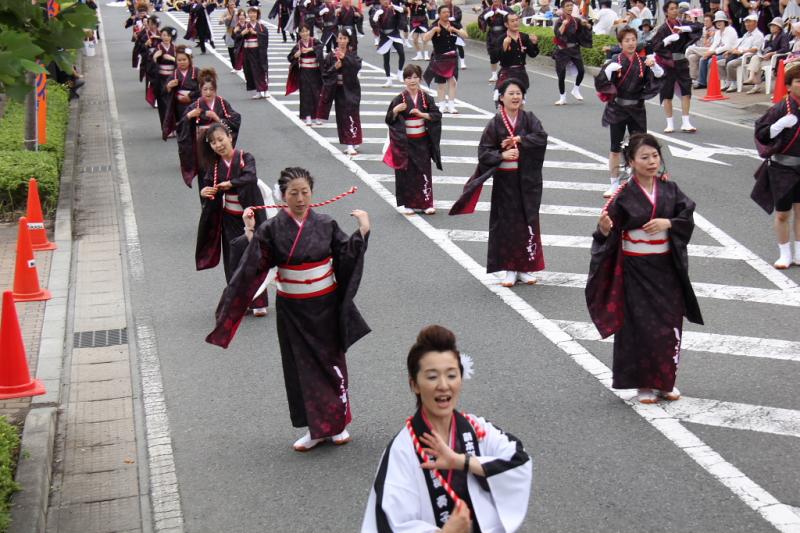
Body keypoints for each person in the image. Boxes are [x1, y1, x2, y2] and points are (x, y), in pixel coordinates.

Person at [206, 167, 371, 452]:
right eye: (293, 193)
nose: (300, 198)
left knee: (330, 364)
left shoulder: (326, 223)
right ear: (282, 196)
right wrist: (248, 232)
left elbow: (345, 255)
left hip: (325, 303)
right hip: (293, 307)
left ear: (312, 193)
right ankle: (314, 429)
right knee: (300, 367)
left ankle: (338, 424)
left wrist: (363, 232)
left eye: (304, 192)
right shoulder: (271, 229)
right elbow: (253, 265)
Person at [361, 324, 532, 532]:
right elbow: (389, 524)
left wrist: (460, 461)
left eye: (451, 375)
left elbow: (519, 461)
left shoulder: (476, 429)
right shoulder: (402, 450)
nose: (443, 385)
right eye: (432, 377)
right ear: (414, 384)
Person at [586, 133, 703, 404]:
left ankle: (665, 381)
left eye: (654, 156)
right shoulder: (623, 195)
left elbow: (687, 215)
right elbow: (605, 233)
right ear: (631, 161)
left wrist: (669, 223)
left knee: (668, 324)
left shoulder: (670, 190)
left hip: (665, 268)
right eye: (644, 157)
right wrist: (604, 231)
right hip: (634, 270)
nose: (651, 162)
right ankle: (643, 384)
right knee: (640, 327)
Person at [449, 79, 547, 287]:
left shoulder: (529, 118)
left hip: (527, 180)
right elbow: (484, 152)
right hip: (505, 183)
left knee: (526, 221)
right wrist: (503, 154)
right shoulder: (495, 123)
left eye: (518, 93)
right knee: (506, 224)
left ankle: (525, 267)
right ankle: (509, 268)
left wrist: (520, 140)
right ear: (501, 98)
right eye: (511, 93)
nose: (515, 97)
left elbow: (541, 137)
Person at [196, 123, 269, 316]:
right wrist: (205, 191)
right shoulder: (214, 165)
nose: (218, 145)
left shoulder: (245, 158)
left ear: (230, 137)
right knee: (233, 259)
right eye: (213, 143)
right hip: (229, 217)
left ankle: (259, 301)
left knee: (254, 256)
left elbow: (250, 177)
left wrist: (232, 183)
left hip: (250, 216)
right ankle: (240, 303)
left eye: (220, 139)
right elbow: (207, 186)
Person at [595, 27, 664, 198]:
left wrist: (654, 66)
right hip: (618, 108)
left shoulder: (643, 61)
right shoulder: (614, 60)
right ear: (621, 43)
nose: (631, 43)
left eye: (633, 39)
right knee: (615, 148)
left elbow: (659, 76)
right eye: (627, 40)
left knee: (640, 147)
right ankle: (614, 182)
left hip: (637, 109)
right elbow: (603, 83)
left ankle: (636, 181)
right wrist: (609, 71)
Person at [753, 59, 800, 268]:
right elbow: (761, 134)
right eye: (798, 81)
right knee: (783, 213)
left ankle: (799, 252)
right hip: (783, 167)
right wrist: (780, 125)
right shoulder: (780, 108)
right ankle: (784, 253)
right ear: (789, 86)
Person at [384, 64, 443, 215]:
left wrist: (422, 115)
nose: (412, 81)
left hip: (422, 140)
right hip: (406, 142)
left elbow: (437, 115)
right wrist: (396, 110)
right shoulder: (399, 99)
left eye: (415, 77)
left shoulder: (426, 98)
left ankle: (426, 203)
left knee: (424, 171)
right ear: (404, 80)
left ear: (420, 79)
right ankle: (408, 203)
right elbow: (389, 120)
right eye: (409, 77)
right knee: (407, 172)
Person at [177, 68, 242, 193]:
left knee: (221, 170)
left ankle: (222, 199)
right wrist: (189, 116)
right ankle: (206, 202)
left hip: (219, 142)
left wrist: (217, 118)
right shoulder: (195, 106)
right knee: (205, 174)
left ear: (216, 90)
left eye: (211, 89)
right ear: (200, 90)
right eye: (205, 89)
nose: (208, 92)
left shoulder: (222, 104)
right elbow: (181, 127)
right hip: (202, 146)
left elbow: (236, 120)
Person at [651, 0, 702, 133]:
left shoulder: (682, 23)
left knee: (686, 90)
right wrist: (666, 41)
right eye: (672, 9)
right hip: (668, 63)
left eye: (676, 8)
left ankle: (686, 121)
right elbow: (655, 45)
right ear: (666, 11)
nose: (675, 11)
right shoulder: (663, 29)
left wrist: (685, 29)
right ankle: (670, 123)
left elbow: (699, 25)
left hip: (681, 61)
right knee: (667, 93)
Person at [318, 30, 364, 155]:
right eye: (340, 38)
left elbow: (357, 66)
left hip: (351, 89)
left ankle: (353, 141)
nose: (342, 41)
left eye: (345, 38)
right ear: (337, 40)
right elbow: (325, 73)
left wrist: (346, 58)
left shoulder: (352, 54)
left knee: (352, 115)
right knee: (343, 116)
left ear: (348, 40)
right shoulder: (331, 55)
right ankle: (349, 142)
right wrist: (335, 67)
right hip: (338, 90)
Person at [423, 6, 469, 113]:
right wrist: (433, 31)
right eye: (444, 12)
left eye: (448, 12)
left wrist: (455, 30)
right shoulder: (434, 25)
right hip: (439, 57)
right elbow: (425, 38)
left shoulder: (454, 24)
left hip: (452, 56)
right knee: (441, 83)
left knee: (452, 82)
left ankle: (451, 105)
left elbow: (465, 35)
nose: (447, 14)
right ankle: (442, 105)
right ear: (439, 14)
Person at [552, 0, 593, 105]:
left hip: (574, 49)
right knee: (561, 75)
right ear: (563, 8)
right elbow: (557, 35)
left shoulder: (576, 20)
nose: (570, 7)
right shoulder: (559, 21)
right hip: (562, 50)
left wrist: (587, 26)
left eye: (571, 5)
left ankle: (576, 89)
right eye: (567, 6)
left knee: (581, 70)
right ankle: (562, 97)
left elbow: (585, 29)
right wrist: (563, 25)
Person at [490, 12, 539, 98]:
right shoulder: (502, 39)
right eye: (512, 21)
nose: (516, 23)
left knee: (520, 100)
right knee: (499, 97)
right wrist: (504, 46)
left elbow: (533, 54)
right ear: (506, 24)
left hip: (521, 72)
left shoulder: (524, 37)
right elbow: (494, 58)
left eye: (517, 20)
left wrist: (534, 44)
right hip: (507, 72)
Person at [286, 25, 324, 126]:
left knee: (317, 93)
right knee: (305, 94)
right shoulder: (298, 45)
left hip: (315, 71)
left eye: (306, 31)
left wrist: (311, 49)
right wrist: (296, 55)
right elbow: (290, 57)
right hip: (304, 71)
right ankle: (307, 116)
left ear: (309, 31)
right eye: (302, 32)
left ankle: (317, 116)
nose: (305, 33)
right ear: (299, 34)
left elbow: (321, 46)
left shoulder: (314, 41)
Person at [161, 45, 200, 140]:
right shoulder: (174, 74)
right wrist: (168, 86)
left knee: (194, 128)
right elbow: (164, 91)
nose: (182, 62)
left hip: (193, 103)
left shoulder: (197, 72)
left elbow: (204, 89)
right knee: (183, 129)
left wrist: (190, 96)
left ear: (189, 59)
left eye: (184, 59)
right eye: (179, 60)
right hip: (179, 106)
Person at [719, 14, 765, 92]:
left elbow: (755, 50)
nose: (746, 24)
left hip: (749, 57)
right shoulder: (746, 35)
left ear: (755, 23)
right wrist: (731, 51)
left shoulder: (758, 35)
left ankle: (734, 83)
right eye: (746, 22)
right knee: (719, 63)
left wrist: (741, 51)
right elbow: (739, 46)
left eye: (749, 22)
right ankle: (727, 81)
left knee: (731, 64)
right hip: (739, 55)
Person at [746, 16, 790, 93]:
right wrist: (763, 53)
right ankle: (752, 78)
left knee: (757, 62)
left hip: (777, 59)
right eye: (771, 26)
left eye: (774, 26)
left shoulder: (783, 36)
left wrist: (772, 53)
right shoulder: (770, 36)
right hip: (768, 58)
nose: (771, 27)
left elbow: (785, 49)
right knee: (755, 58)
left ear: (779, 27)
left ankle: (756, 84)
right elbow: (767, 48)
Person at [234, 6, 270, 99]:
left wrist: (256, 33)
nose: (252, 15)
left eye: (254, 13)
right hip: (248, 52)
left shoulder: (261, 27)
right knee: (252, 71)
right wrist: (243, 33)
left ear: (257, 14)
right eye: (250, 13)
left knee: (261, 70)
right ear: (248, 15)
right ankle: (258, 91)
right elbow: (236, 37)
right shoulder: (245, 26)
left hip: (259, 52)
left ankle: (265, 90)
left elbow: (265, 37)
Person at [151, 26, 178, 131]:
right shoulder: (158, 48)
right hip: (161, 80)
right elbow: (150, 66)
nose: (166, 38)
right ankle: (167, 129)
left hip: (172, 78)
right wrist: (154, 57)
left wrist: (172, 58)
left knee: (174, 104)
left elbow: (183, 63)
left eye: (168, 35)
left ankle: (175, 127)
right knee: (164, 105)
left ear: (172, 37)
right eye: (163, 35)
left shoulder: (175, 48)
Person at [374, 0, 407, 87]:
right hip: (385, 36)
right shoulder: (378, 9)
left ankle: (400, 72)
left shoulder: (393, 8)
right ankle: (389, 79)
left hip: (394, 34)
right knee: (386, 58)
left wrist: (395, 7)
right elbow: (374, 21)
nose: (385, 1)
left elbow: (404, 11)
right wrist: (377, 15)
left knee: (401, 53)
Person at [479, 0, 510, 82]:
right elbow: (481, 20)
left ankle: (505, 72)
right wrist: (485, 17)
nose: (495, 0)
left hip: (504, 33)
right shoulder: (488, 10)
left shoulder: (506, 9)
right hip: (492, 35)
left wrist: (505, 14)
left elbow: (514, 18)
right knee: (493, 55)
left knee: (506, 54)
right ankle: (494, 74)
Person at [685, 12, 715, 80]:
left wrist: (708, 37)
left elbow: (710, 44)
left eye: (707, 21)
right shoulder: (704, 29)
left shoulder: (715, 30)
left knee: (690, 49)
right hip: (703, 49)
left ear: (712, 22)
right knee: (692, 57)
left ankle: (685, 62)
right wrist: (705, 36)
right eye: (704, 20)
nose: (705, 22)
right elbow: (703, 43)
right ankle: (694, 79)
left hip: (711, 49)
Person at [219, 0, 239, 70]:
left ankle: (238, 65)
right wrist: (225, 18)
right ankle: (234, 66)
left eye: (233, 4)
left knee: (238, 50)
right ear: (227, 5)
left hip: (237, 32)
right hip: (229, 32)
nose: (232, 5)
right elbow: (220, 22)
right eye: (230, 4)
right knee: (231, 51)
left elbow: (244, 18)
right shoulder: (225, 12)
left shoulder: (237, 11)